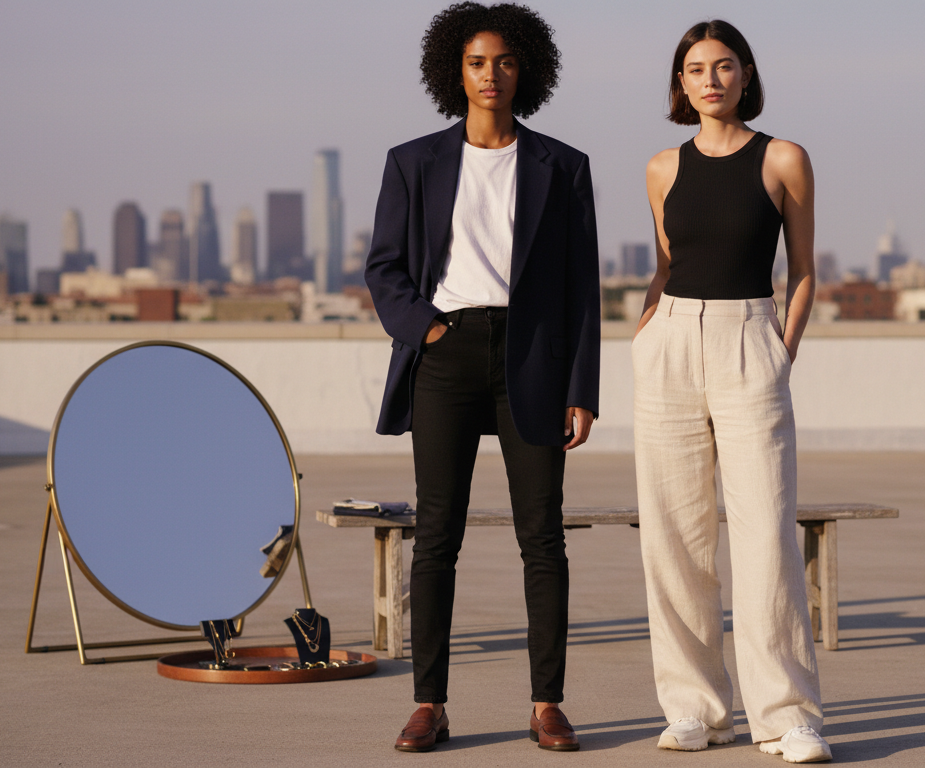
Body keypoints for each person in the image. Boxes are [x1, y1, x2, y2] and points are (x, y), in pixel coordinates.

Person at [364, 2, 600, 753]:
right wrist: (428, 328)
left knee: (543, 540)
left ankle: (547, 704)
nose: (490, 75)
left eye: (503, 61)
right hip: (447, 354)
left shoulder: (563, 167)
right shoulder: (413, 162)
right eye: (475, 62)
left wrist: (581, 389)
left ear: (524, 67)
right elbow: (384, 268)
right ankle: (429, 703)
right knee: (436, 537)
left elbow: (581, 290)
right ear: (453, 72)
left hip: (532, 358)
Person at [632, 19, 831, 764]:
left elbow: (805, 268)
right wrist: (647, 333)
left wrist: (783, 349)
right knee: (675, 537)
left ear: (746, 74)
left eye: (723, 66)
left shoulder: (784, 157)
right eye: (694, 69)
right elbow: (664, 263)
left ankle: (787, 717)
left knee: (766, 532)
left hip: (753, 339)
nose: (709, 79)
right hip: (671, 344)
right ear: (680, 85)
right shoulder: (660, 167)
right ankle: (694, 709)